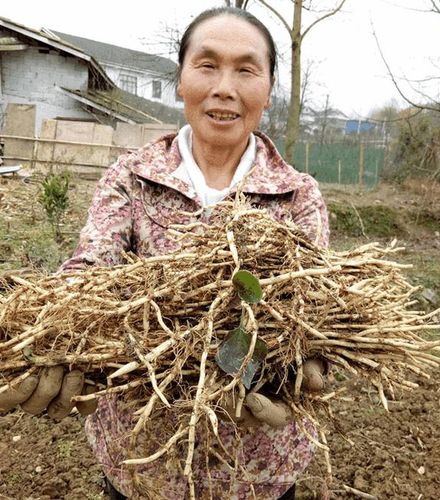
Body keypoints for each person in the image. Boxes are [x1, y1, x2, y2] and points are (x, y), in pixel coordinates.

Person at [0, 7, 330, 499]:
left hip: (259, 471)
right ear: (180, 80)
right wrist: (49, 335)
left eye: (245, 69)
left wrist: (310, 367)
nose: (224, 87)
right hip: (140, 464)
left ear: (268, 86)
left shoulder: (298, 195)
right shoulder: (131, 178)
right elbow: (89, 269)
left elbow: (319, 311)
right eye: (207, 65)